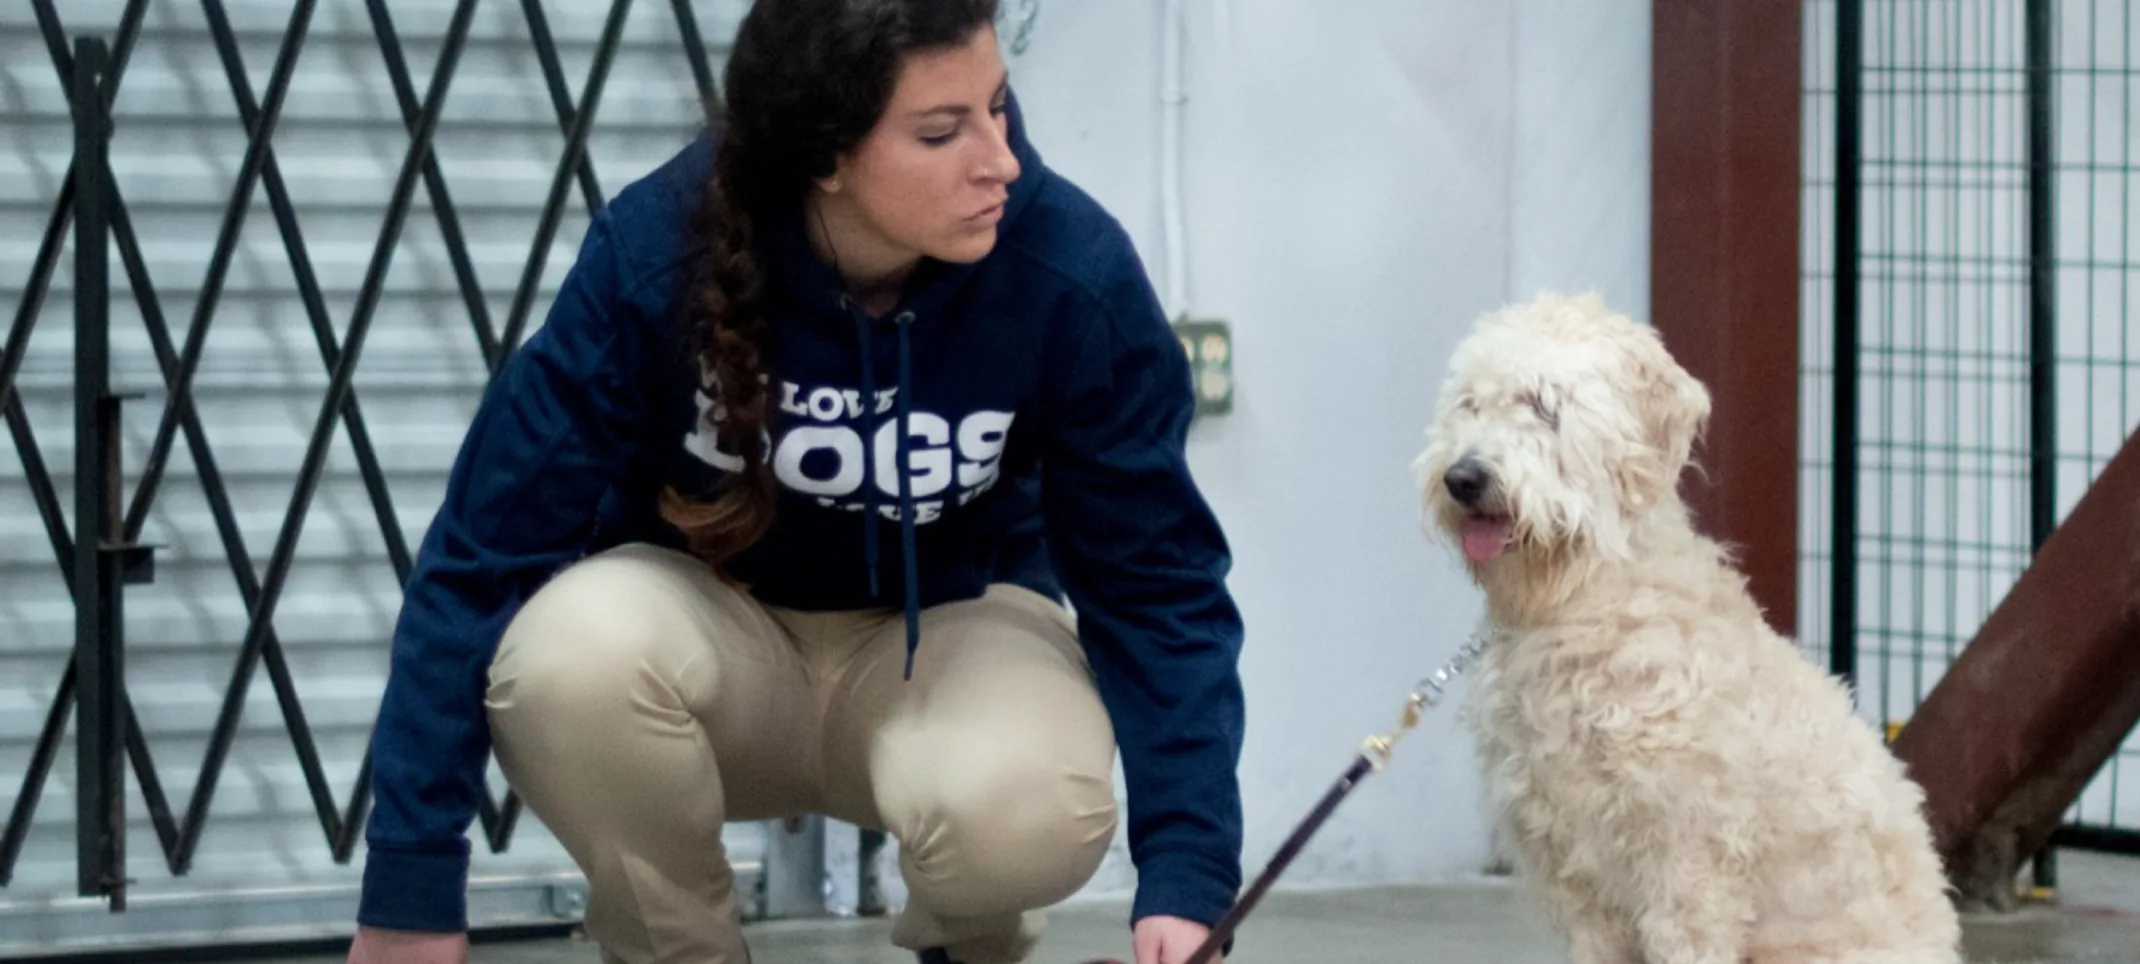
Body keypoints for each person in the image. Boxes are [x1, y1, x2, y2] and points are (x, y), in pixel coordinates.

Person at [344, 1, 1247, 963]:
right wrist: (411, 889)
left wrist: (1189, 875)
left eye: (999, 106)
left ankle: (966, 942)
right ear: (825, 156)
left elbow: (1157, 585)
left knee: (1029, 807)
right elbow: (485, 551)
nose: (1001, 160)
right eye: (942, 132)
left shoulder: (1071, 273)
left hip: (943, 637)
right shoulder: (656, 252)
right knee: (565, 660)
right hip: (712, 643)